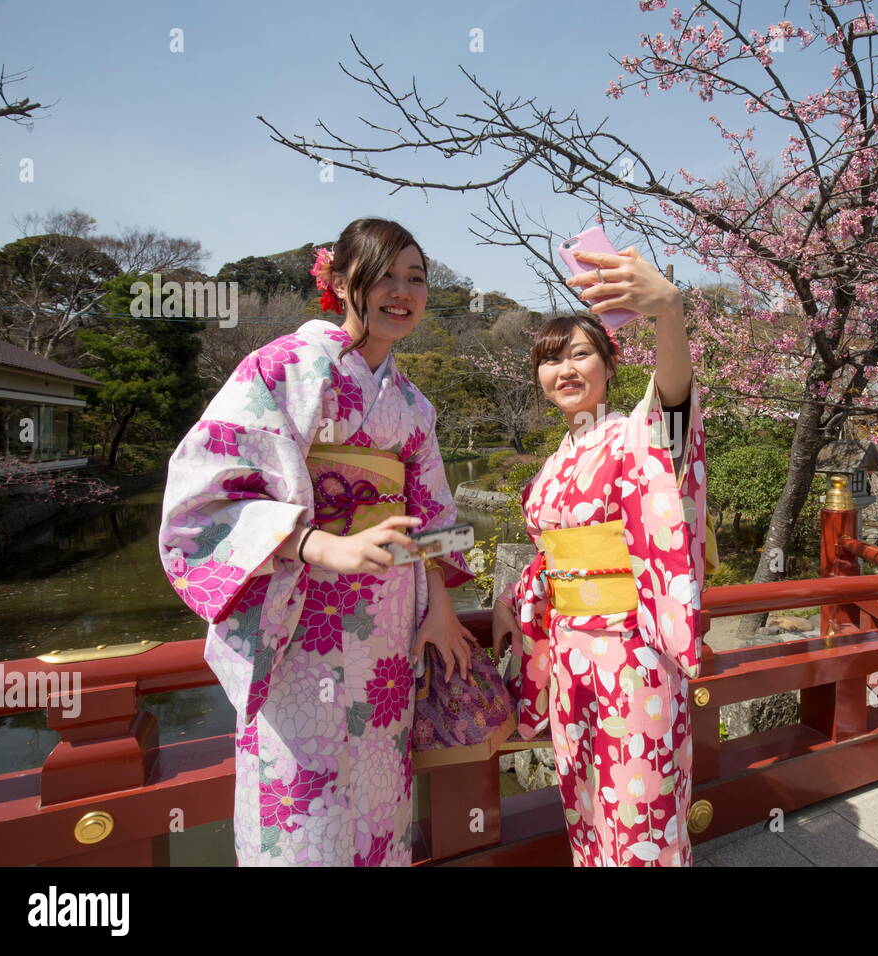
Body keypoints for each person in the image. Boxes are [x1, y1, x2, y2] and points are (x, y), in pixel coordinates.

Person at [158, 218, 475, 866]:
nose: (402, 290)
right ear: (338, 281)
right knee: (302, 787)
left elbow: (432, 514)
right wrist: (318, 545)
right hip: (301, 615)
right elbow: (206, 491)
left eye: (416, 278)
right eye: (385, 273)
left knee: (381, 787)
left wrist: (439, 606)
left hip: (389, 620)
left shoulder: (413, 405)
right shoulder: (281, 368)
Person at [491, 246, 706, 866]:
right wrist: (509, 603)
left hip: (632, 652)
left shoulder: (636, 433)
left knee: (642, 808)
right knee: (583, 801)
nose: (564, 369)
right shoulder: (555, 463)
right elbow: (548, 560)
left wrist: (668, 311)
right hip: (569, 658)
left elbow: (674, 400)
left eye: (580, 353)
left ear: (611, 363)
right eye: (550, 359)